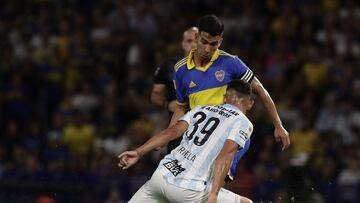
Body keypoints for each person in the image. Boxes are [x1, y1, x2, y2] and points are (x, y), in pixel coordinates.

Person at [171, 14, 290, 180]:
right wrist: (169, 135)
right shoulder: (180, 70)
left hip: (225, 133)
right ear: (197, 37)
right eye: (204, 42)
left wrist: (278, 125)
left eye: (214, 44)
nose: (207, 49)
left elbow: (260, 90)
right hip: (197, 136)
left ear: (220, 41)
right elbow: (181, 107)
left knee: (214, 183)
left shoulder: (231, 62)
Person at [118, 80, 254, 203]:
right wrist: (213, 194)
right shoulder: (242, 122)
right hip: (189, 190)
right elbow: (225, 156)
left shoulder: (201, 109)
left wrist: (138, 152)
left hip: (161, 176)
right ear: (250, 103)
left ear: (225, 98)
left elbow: (171, 132)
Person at [151, 27, 198, 153]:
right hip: (177, 125)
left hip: (201, 126)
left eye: (196, 40)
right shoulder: (169, 65)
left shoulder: (210, 66)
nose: (193, 44)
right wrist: (167, 104)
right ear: (182, 44)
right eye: (189, 41)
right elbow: (156, 94)